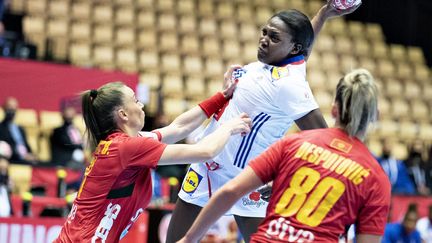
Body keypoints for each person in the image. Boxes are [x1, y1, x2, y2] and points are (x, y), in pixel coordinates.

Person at [167, 1, 360, 242]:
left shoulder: (290, 85)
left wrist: (287, 177)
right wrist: (324, 14)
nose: (264, 40)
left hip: (247, 179)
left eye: (274, 37)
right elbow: (302, 48)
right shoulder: (280, 62)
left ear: (293, 48)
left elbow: (324, 139)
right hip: (207, 167)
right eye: (264, 32)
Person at [178, 69, 391, 243]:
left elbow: (231, 191)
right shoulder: (376, 177)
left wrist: (188, 239)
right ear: (376, 116)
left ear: (334, 110)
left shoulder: (293, 144)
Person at [54, 81, 251, 242]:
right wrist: (229, 127)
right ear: (123, 114)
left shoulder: (126, 144)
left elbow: (179, 127)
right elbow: (206, 152)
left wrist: (222, 97)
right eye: (136, 100)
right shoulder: (125, 148)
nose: (141, 106)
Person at [0, 97, 37, 164]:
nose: (12, 110)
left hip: (26, 159)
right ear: (4, 108)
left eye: (14, 107)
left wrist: (31, 154)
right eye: (9, 107)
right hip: (12, 159)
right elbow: (4, 146)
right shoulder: (1, 127)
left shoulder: (20, 128)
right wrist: (21, 155)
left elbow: (27, 145)